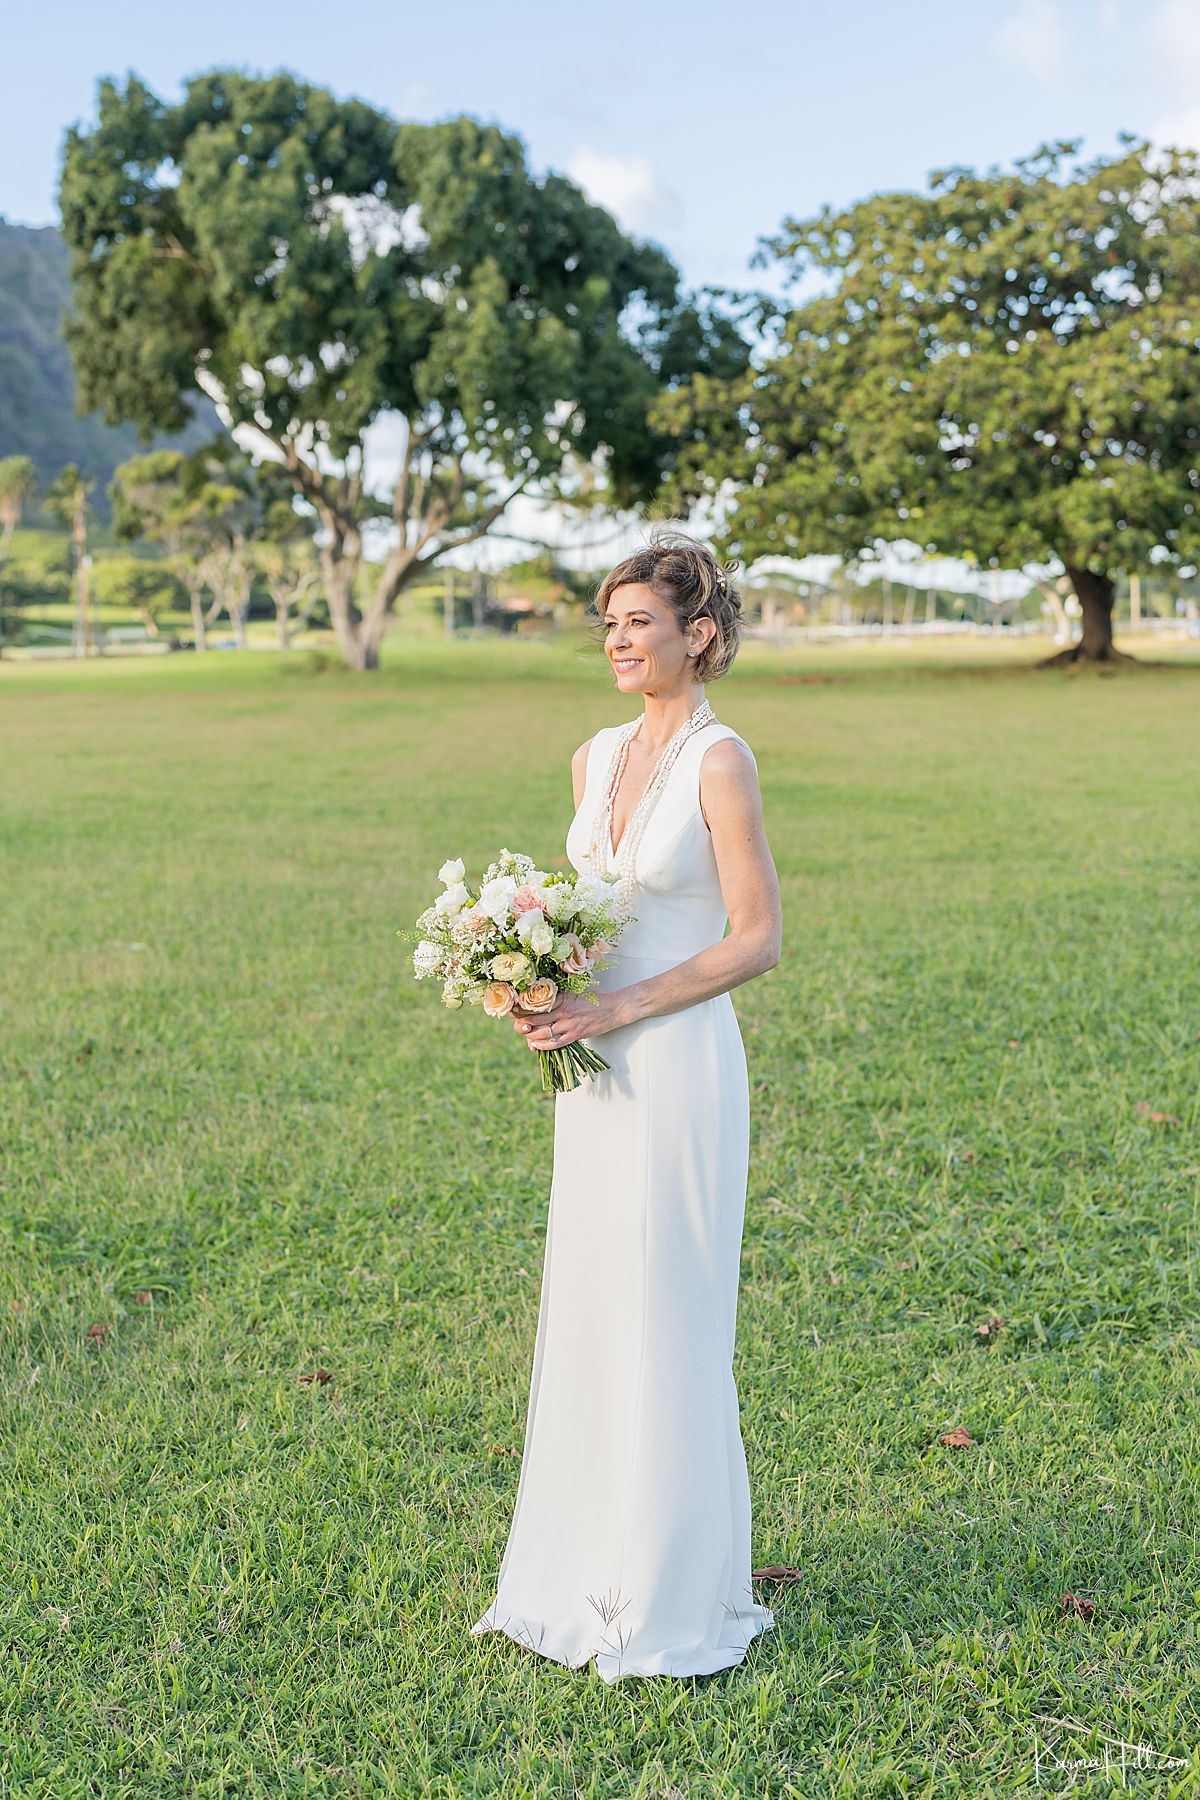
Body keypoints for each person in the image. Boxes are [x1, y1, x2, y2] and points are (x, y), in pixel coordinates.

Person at [470, 529, 783, 1682]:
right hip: (590, 1082)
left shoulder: (722, 761)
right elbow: (582, 907)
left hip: (680, 1067)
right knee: (595, 1305)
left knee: (667, 1317)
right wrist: (531, 980)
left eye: (637, 620)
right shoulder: (590, 755)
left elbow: (757, 939)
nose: (615, 638)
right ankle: (573, 1575)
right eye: (607, 620)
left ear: (697, 635)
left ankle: (667, 1593)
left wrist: (621, 1008)